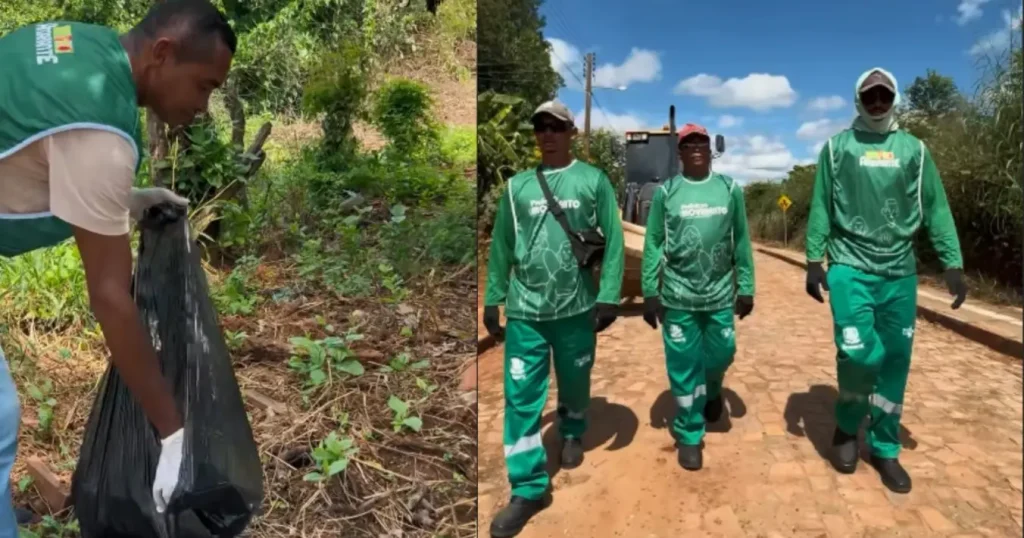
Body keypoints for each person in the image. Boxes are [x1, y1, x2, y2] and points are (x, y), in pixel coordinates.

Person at [0, 0, 236, 530]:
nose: (203, 107)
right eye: (204, 86)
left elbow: (44, 154)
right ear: (163, 53)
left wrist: (128, 201)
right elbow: (110, 297)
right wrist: (172, 433)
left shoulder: (84, 47)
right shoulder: (100, 131)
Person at [804, 67, 967, 494]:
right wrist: (813, 259)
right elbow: (821, 204)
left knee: (895, 360)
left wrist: (952, 263)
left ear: (894, 99)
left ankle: (884, 446)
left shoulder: (915, 150)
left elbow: (936, 207)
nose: (877, 103)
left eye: (885, 96)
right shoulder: (837, 148)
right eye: (869, 96)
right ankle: (846, 426)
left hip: (899, 272)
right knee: (860, 355)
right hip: (849, 267)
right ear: (858, 99)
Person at [482, 100, 625, 537]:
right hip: (526, 310)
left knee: (575, 379)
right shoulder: (517, 187)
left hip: (577, 308)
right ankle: (527, 487)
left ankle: (573, 428)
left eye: (556, 127)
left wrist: (609, 296)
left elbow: (614, 238)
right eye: (541, 127)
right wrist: (493, 297)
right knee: (520, 396)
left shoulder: (593, 180)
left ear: (571, 133)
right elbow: (503, 242)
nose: (548, 134)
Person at [639, 123, 754, 471]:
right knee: (683, 365)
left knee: (722, 353)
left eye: (701, 142)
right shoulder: (667, 193)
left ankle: (713, 388)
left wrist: (746, 285)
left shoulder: (729, 189)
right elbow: (653, 242)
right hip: (678, 296)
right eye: (688, 145)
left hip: (720, 295)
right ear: (680, 153)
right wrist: (649, 291)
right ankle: (689, 433)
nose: (696, 149)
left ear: (710, 148)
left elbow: (741, 239)